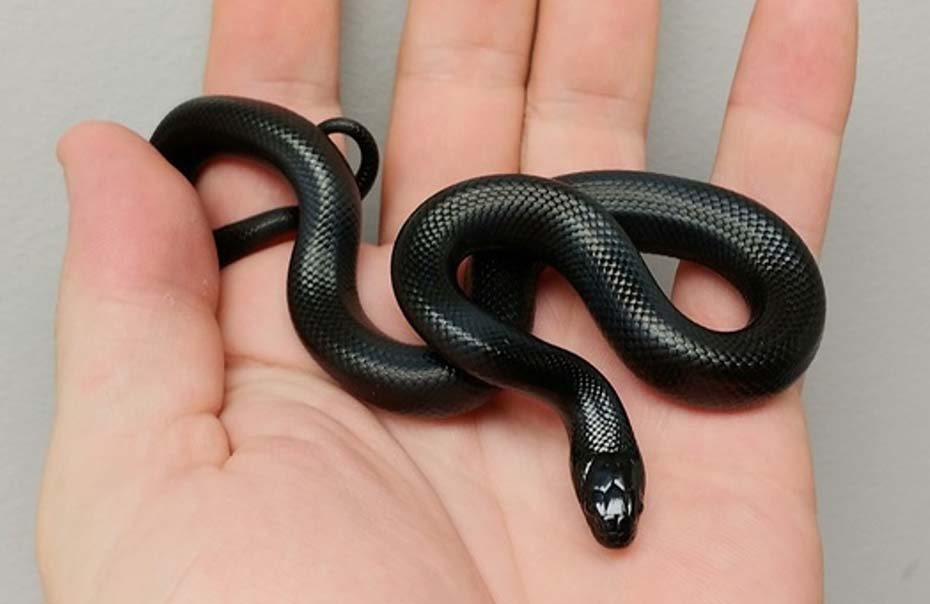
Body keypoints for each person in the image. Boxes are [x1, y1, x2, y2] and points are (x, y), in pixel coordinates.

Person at [37, 1, 858, 602]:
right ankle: (323, 192)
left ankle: (325, 194)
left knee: (519, 241)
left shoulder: (574, 369)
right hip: (468, 247)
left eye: (610, 502)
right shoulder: (533, 353)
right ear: (614, 461)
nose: (612, 514)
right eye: (617, 499)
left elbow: (531, 322)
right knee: (489, 232)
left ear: (595, 466)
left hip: (494, 253)